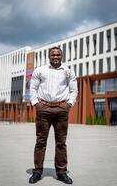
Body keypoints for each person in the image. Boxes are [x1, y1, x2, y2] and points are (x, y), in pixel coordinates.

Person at [29, 46, 78, 184]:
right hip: (43, 108)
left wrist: (68, 105)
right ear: (49, 56)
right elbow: (32, 88)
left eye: (58, 55)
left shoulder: (68, 71)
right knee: (40, 142)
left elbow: (74, 90)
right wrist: (36, 104)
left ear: (61, 56)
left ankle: (61, 172)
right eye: (53, 55)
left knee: (61, 143)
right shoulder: (40, 71)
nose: (55, 57)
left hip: (61, 110)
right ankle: (37, 171)